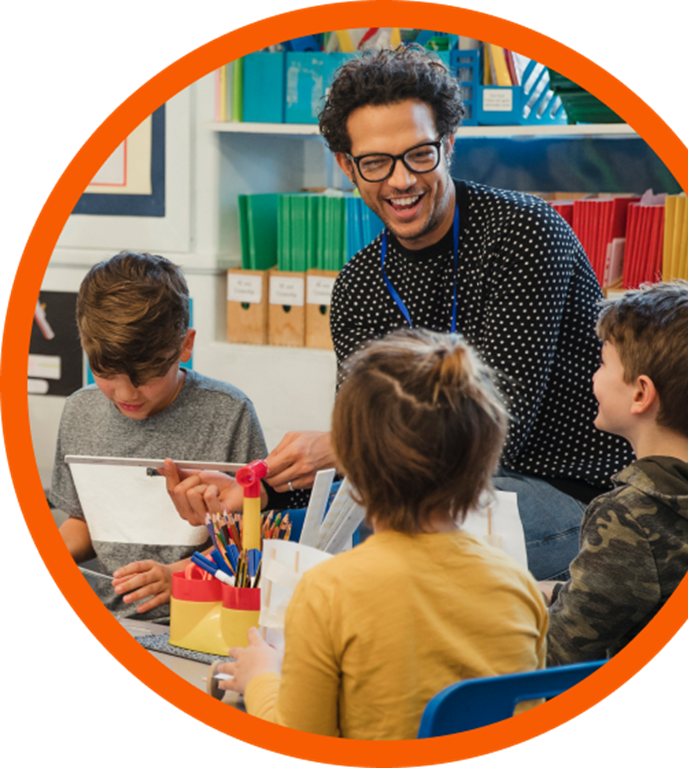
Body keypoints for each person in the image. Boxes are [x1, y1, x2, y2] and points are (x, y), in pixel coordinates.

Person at [244, 44, 632, 581]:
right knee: (279, 534)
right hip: (431, 495)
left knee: (375, 545)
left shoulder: (524, 234)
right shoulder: (360, 283)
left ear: (448, 145)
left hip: (569, 491)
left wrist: (344, 448)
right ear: (346, 166)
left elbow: (498, 434)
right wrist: (255, 497)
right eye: (375, 163)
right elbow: (368, 443)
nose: (401, 181)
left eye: (419, 155)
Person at [216, 329, 548, 740]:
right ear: (482, 462)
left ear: (351, 460)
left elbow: (300, 739)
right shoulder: (520, 586)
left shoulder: (328, 590)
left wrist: (261, 676)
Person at [49, 252, 268, 621]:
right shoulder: (79, 412)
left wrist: (179, 576)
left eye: (147, 376)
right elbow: (84, 520)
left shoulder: (229, 413)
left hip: (199, 619)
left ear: (185, 345)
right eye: (105, 374)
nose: (125, 395)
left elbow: (255, 541)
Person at [544, 280, 688, 665]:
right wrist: (556, 592)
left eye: (602, 364)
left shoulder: (629, 516)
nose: (594, 377)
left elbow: (559, 650)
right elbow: (627, 587)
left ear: (640, 394)